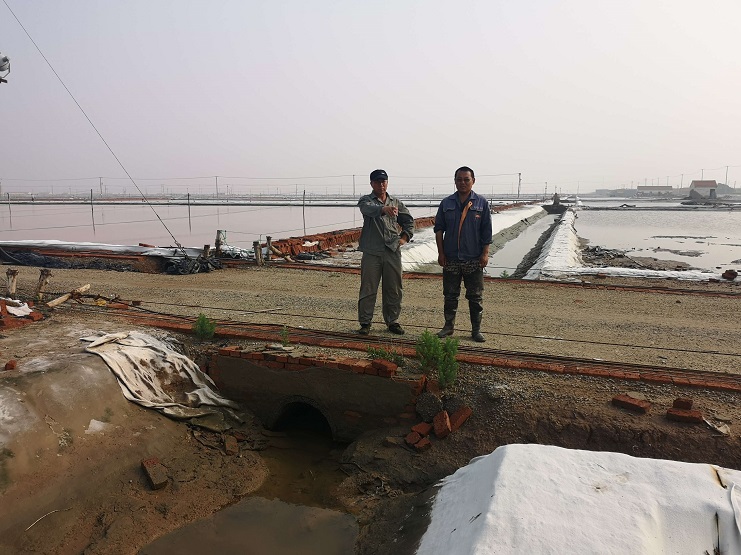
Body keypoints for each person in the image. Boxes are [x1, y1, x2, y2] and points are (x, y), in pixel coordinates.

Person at [433, 166, 493, 342]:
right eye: (459, 179)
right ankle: (448, 327)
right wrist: (441, 253)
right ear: (455, 181)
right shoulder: (446, 203)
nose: (463, 183)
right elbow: (439, 230)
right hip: (451, 258)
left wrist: (485, 254)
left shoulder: (481, 203)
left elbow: (487, 231)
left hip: (473, 259)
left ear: (473, 181)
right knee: (450, 295)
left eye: (466, 179)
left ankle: (476, 330)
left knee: (475, 297)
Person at [357, 169, 415, 335]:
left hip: (392, 251)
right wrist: (383, 209)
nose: (381, 184)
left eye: (383, 181)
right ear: (371, 184)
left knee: (394, 288)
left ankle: (392, 321)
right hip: (371, 252)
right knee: (368, 288)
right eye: (377, 181)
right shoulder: (366, 200)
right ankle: (365, 322)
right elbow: (367, 209)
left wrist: (404, 238)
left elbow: (409, 221)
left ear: (387, 183)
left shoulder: (396, 202)